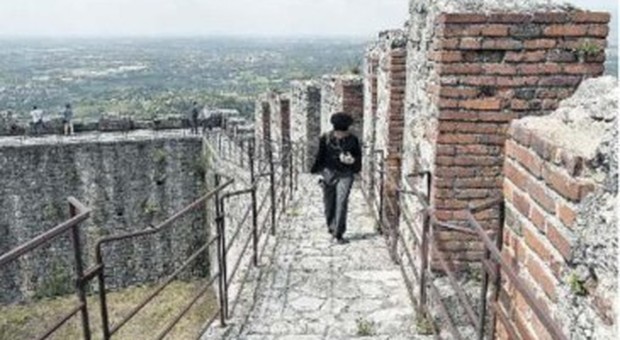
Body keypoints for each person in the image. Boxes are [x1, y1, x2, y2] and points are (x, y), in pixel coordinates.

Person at [311, 112, 362, 244]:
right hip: (329, 173)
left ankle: (338, 233)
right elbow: (320, 156)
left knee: (342, 202)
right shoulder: (325, 138)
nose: (341, 135)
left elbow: (358, 157)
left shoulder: (353, 140)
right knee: (329, 203)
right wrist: (316, 171)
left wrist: (352, 162)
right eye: (339, 132)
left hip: (346, 174)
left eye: (344, 133)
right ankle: (331, 227)